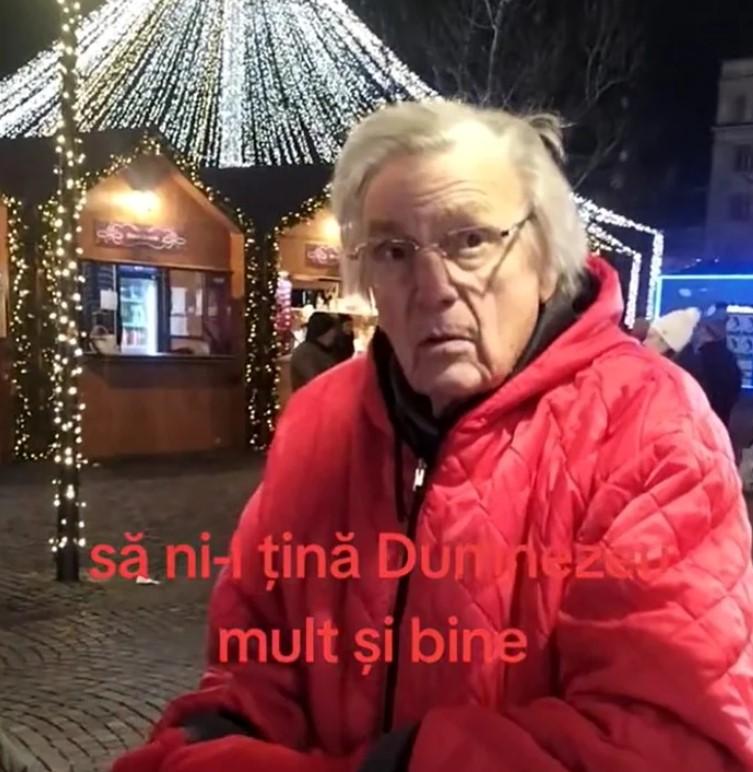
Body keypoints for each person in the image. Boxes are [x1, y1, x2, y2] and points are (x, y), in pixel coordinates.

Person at [113, 101, 753, 772]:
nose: (432, 287)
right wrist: (207, 742)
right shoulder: (319, 419)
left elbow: (666, 742)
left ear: (546, 259)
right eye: (393, 251)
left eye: (470, 240)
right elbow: (254, 662)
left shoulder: (649, 426)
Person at [289, 311, 340, 391]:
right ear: (323, 331)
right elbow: (315, 381)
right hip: (310, 397)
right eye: (332, 330)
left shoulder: (326, 350)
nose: (335, 334)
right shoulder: (305, 352)